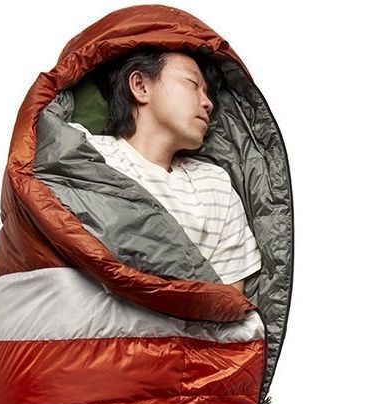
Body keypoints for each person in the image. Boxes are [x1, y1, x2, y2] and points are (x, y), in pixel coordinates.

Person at [69, 48, 262, 296]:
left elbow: (227, 301)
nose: (208, 103)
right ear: (140, 86)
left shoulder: (215, 184)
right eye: (193, 84)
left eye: (207, 93)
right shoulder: (85, 151)